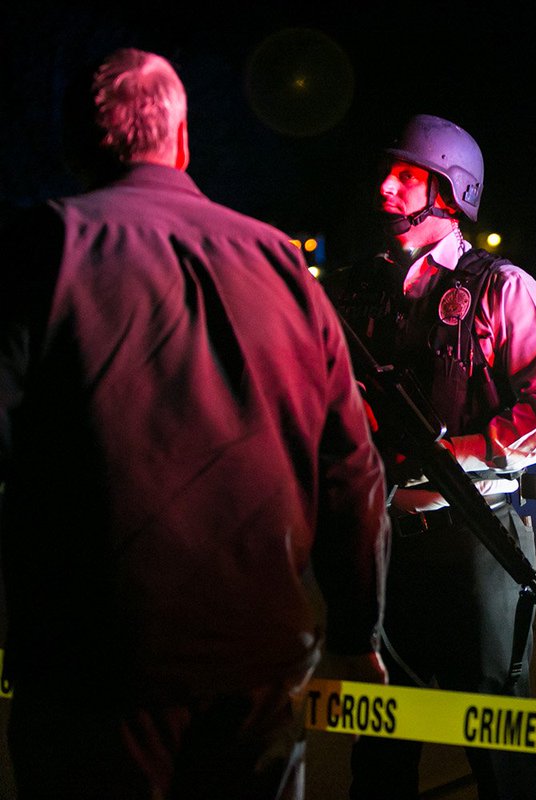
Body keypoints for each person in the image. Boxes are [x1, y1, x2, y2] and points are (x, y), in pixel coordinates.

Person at [0, 48, 390, 799]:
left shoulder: (45, 249)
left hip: (98, 671)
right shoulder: (281, 263)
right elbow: (351, 467)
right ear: (181, 143)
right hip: (263, 666)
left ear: (77, 145)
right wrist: (356, 629)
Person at [327, 113, 536, 800]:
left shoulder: (503, 289)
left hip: (477, 539)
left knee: (497, 748)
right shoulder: (353, 292)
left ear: (451, 190)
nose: (385, 188)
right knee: (379, 751)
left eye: (407, 175)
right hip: (381, 545)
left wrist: (461, 452)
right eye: (387, 173)